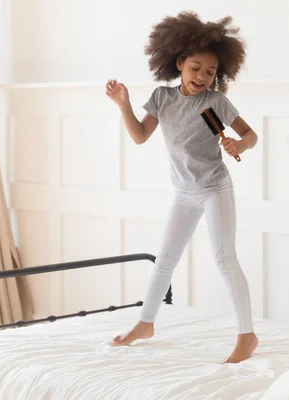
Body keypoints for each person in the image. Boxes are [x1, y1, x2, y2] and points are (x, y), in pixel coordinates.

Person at [105, 11, 258, 363]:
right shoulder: (162, 98)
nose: (202, 77)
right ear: (179, 64)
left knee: (224, 259)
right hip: (184, 192)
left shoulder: (215, 103)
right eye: (195, 68)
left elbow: (250, 134)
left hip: (214, 189)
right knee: (165, 260)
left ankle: (247, 336)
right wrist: (124, 105)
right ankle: (146, 323)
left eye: (210, 72)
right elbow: (141, 136)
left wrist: (240, 144)